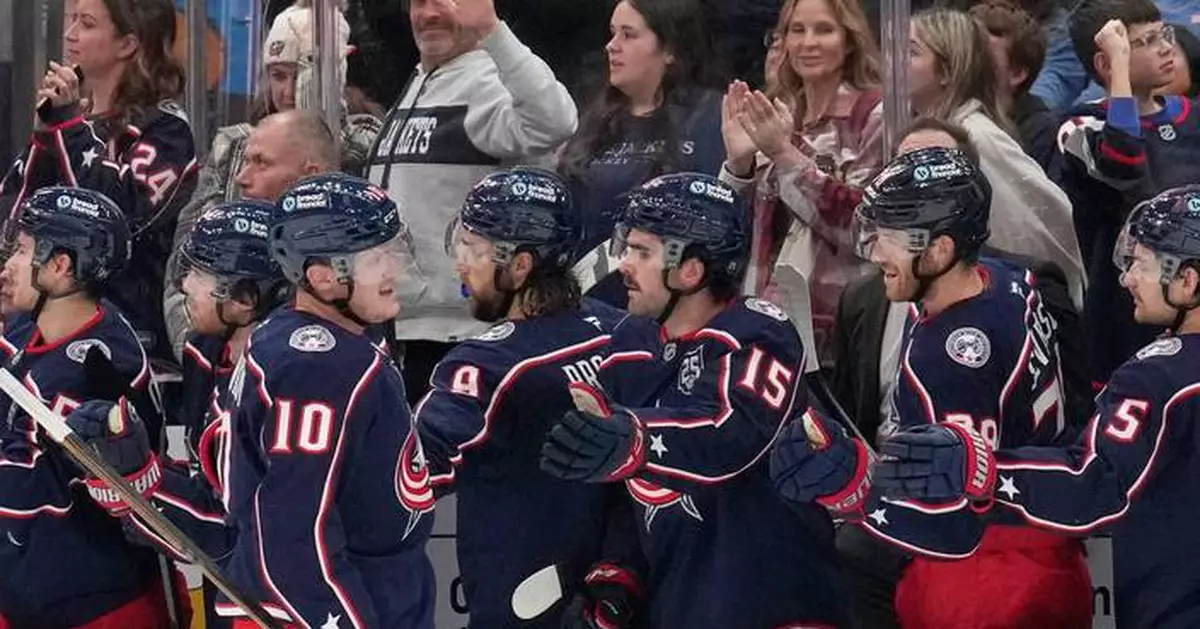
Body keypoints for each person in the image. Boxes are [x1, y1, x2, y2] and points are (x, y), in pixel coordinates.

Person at [781, 147, 1092, 629]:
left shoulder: (946, 360)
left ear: (941, 249)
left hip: (986, 584)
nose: (875, 251)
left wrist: (850, 485)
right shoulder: (1011, 279)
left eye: (889, 238)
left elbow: (943, 513)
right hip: (1048, 555)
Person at [875, 184, 1200, 629]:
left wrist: (984, 471)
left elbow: (1095, 483)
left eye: (1141, 264)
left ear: (1188, 280)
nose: (1127, 279)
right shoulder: (1019, 288)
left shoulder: (1158, 379)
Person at [540, 173, 847, 628]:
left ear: (691, 270)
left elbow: (728, 437)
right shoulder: (629, 345)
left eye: (643, 252)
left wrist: (635, 439)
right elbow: (627, 490)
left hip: (774, 604)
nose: (624, 264)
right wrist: (616, 576)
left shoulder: (760, 336)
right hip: (679, 599)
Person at [217, 174, 435, 627]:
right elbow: (296, 530)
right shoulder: (319, 367)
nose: (393, 269)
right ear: (323, 277)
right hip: (315, 606)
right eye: (377, 258)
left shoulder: (311, 337)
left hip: (368, 587)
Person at [415, 167, 626, 628]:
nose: (460, 264)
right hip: (613, 585)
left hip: (521, 600)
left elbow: (410, 475)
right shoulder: (618, 329)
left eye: (473, 248)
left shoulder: (488, 365)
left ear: (521, 265)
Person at [67, 200, 289, 629]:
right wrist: (138, 468)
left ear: (245, 299)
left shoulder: (287, 384)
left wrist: (141, 480)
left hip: (279, 600)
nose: (184, 284)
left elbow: (239, 526)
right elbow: (206, 488)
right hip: (228, 589)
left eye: (200, 273)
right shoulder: (205, 353)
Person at [365, 0, 578, 405]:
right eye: (418, 2)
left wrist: (492, 31)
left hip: (465, 333)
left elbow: (556, 120)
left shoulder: (488, 80)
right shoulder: (421, 82)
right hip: (406, 327)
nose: (428, 14)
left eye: (445, 1)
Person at [166, 0, 382, 358]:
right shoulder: (233, 147)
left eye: (298, 74)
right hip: (231, 345)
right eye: (278, 76)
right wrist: (197, 347)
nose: (286, 91)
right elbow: (186, 260)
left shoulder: (365, 144)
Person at [0, 187, 172, 627]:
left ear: (61, 267)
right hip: (36, 587)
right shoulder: (41, 325)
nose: (8, 265)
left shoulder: (96, 372)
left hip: (97, 608)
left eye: (21, 251)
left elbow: (31, 491)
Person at [0, 0, 196, 362]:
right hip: (35, 329)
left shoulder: (166, 130)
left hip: (124, 343)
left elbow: (118, 221)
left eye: (86, 24)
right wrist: (45, 141)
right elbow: (15, 212)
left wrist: (71, 130)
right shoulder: (71, 120)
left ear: (128, 44)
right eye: (72, 20)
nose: (69, 34)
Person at [720, 0, 884, 367]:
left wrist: (782, 153)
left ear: (850, 40)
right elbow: (733, 231)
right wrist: (739, 164)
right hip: (760, 327)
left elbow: (866, 227)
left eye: (824, 30)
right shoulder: (776, 112)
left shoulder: (874, 116)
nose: (808, 42)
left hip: (835, 335)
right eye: (797, 30)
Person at [1057, 0, 1200, 384]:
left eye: (1164, 34)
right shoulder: (1080, 126)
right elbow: (1123, 163)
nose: (1166, 47)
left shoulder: (1191, 115)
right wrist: (1120, 73)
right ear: (1106, 63)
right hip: (1122, 314)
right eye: (1145, 42)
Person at [909, 7, 1085, 306]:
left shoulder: (977, 137)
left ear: (948, 71)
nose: (892, 63)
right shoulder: (914, 131)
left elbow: (1037, 238)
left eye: (911, 52)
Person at [560, 0, 725, 307]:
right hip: (592, 304)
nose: (611, 46)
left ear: (670, 49)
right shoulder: (595, 120)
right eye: (612, 34)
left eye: (628, 35)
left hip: (674, 305)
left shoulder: (712, 115)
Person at [163, 109, 340, 359]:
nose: (240, 178)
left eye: (261, 163)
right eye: (245, 161)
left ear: (310, 177)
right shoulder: (233, 243)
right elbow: (179, 289)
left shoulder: (349, 272)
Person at [969, 0, 1059, 172]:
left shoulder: (1040, 130)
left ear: (1017, 73)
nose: (967, 61)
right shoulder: (938, 109)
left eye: (981, 54)